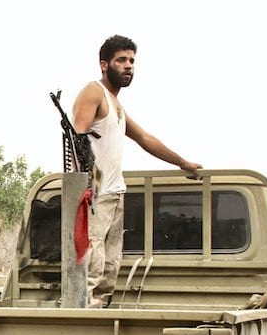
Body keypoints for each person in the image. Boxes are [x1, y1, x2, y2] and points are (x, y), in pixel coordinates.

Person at [72, 35, 203, 308]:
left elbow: (145, 138)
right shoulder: (93, 92)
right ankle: (82, 327)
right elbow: (76, 139)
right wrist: (85, 189)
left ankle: (98, 320)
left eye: (132, 61)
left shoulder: (116, 104)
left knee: (110, 270)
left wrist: (183, 163)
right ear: (104, 64)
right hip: (94, 196)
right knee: (91, 271)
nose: (128, 66)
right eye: (122, 60)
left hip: (115, 194)